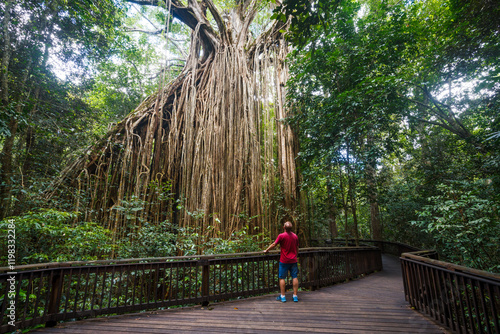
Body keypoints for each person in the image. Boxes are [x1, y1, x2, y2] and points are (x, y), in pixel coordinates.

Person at [263, 221, 299, 302]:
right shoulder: (295, 236)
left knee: (282, 278)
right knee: (295, 277)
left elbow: (273, 244)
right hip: (293, 260)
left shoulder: (281, 236)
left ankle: (283, 296)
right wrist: (296, 255)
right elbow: (297, 248)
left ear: (284, 228)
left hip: (284, 261)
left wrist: (267, 250)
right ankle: (295, 296)